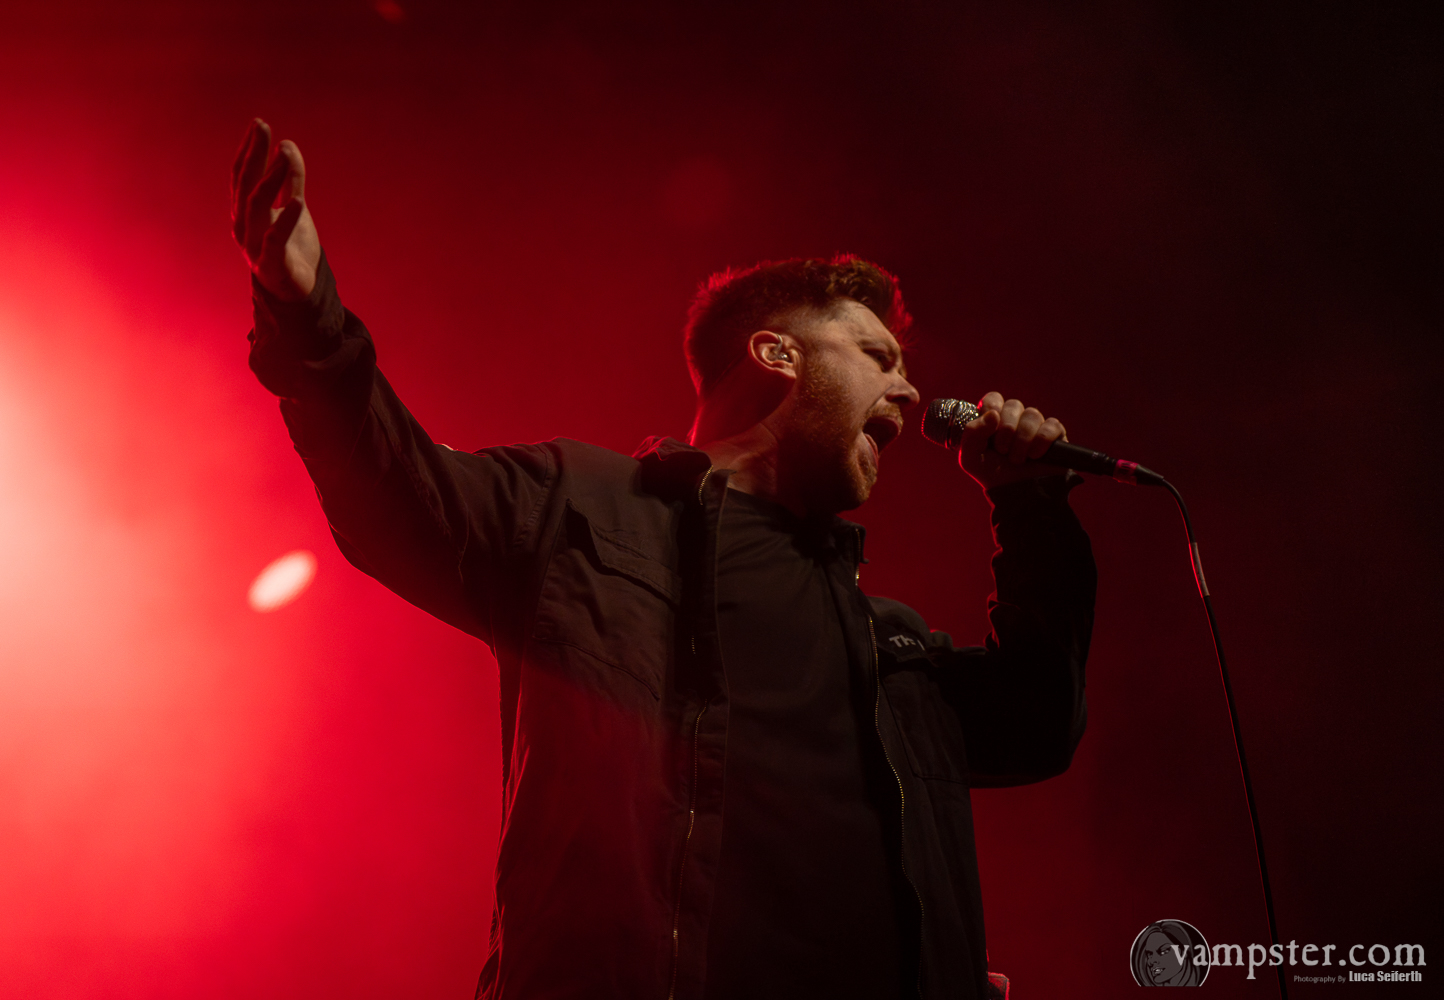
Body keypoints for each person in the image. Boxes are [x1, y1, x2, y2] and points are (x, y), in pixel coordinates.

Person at [232, 118, 1096, 1000]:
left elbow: (1037, 719)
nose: (909, 391)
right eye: (878, 356)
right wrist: (306, 317)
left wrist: (1030, 504)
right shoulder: (576, 508)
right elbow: (395, 493)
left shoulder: (892, 652)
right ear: (776, 352)